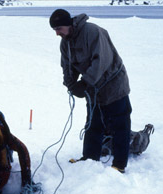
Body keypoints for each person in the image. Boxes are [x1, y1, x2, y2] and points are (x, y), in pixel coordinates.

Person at [49, 9, 132, 173]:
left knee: (120, 125)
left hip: (114, 85)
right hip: (93, 88)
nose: (57, 33)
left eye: (58, 29)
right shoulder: (65, 42)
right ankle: (89, 158)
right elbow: (67, 66)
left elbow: (101, 60)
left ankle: (119, 164)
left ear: (68, 24)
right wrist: (71, 85)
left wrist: (85, 82)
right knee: (93, 124)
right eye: (55, 30)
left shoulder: (92, 32)